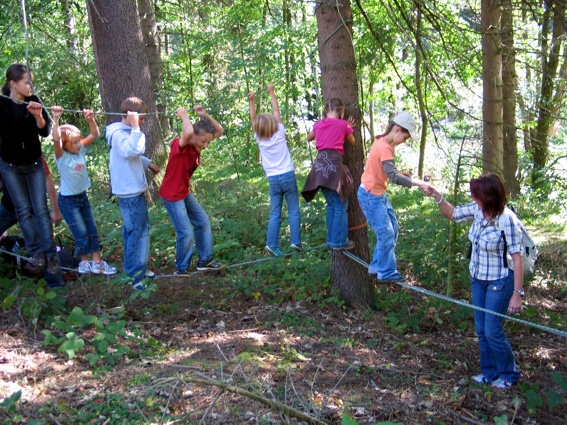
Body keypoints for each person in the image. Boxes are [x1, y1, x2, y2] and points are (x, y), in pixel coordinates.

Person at [428, 173, 522, 389]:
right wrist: (437, 196)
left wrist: (517, 293)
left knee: (492, 330)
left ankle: (509, 374)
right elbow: (452, 214)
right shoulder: (477, 210)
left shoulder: (507, 219)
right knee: (481, 330)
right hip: (477, 278)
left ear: (489, 197)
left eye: (477, 195)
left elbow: (517, 258)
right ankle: (489, 373)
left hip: (499, 281)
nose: (474, 198)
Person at [0, 63, 60, 275]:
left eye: (31, 82)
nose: (30, 86)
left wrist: (38, 116)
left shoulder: (34, 101)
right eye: (27, 82)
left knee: (40, 210)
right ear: (13, 83)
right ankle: (37, 254)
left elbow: (43, 132)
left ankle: (50, 255)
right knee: (23, 209)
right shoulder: (2, 104)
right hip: (10, 166)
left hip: (33, 164)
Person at [357, 111, 431, 282]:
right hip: (371, 196)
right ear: (397, 129)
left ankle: (376, 265)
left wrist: (402, 174)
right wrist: (419, 183)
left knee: (393, 229)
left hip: (377, 194)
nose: (404, 142)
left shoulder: (382, 142)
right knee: (386, 233)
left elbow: (386, 170)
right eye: (405, 138)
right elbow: (393, 177)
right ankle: (386, 272)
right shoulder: (384, 146)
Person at [158, 105, 224, 275]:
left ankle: (205, 261)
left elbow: (219, 130)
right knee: (185, 231)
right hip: (172, 195)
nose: (206, 145)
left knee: (202, 221)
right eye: (204, 141)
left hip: (183, 192)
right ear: (194, 136)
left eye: (208, 142)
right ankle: (181, 268)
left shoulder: (196, 147)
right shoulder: (179, 146)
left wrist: (205, 115)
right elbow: (187, 133)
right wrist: (184, 115)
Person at [51, 106, 116, 276]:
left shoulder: (80, 150)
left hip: (82, 197)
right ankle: (84, 262)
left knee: (91, 229)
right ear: (65, 145)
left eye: (79, 140)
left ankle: (97, 262)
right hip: (68, 201)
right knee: (80, 232)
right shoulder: (61, 156)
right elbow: (56, 139)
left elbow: (94, 134)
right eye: (74, 142)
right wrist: (56, 119)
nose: (79, 144)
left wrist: (90, 119)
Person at [106, 97, 160, 290]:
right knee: (138, 232)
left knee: (134, 231)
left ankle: (135, 268)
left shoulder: (124, 133)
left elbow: (131, 156)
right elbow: (131, 150)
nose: (143, 123)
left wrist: (147, 163)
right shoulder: (120, 135)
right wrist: (136, 128)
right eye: (141, 119)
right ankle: (135, 276)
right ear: (131, 116)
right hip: (129, 193)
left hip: (132, 190)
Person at [248, 84, 301, 257]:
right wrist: (272, 92)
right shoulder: (280, 133)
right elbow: (276, 112)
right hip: (287, 175)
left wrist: (252, 101)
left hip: (273, 179)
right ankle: (295, 242)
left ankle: (272, 244)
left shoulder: (259, 138)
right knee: (293, 210)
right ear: (274, 124)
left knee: (275, 212)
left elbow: (253, 119)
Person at [0, 159, 65, 287]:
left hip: (33, 210)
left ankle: (56, 285)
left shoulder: (32, 153)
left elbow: (47, 180)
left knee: (45, 245)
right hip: (9, 207)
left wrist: (55, 209)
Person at [301, 98, 355, 250]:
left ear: (326, 111)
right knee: (340, 204)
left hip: (319, 167)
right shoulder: (343, 124)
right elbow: (352, 141)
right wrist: (348, 128)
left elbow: (309, 137)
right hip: (333, 166)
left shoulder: (318, 124)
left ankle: (332, 240)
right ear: (341, 111)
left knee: (331, 203)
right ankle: (339, 241)